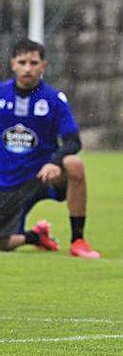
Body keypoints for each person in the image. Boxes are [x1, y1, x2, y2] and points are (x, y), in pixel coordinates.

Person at [0, 39, 101, 258]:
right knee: (3, 243)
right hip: (7, 181)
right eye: (22, 62)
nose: (28, 68)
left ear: (43, 65)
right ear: (13, 64)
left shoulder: (53, 99)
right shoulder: (1, 95)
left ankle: (78, 241)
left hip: (43, 176)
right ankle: (35, 236)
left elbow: (74, 141)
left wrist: (54, 162)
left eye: (34, 62)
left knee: (73, 163)